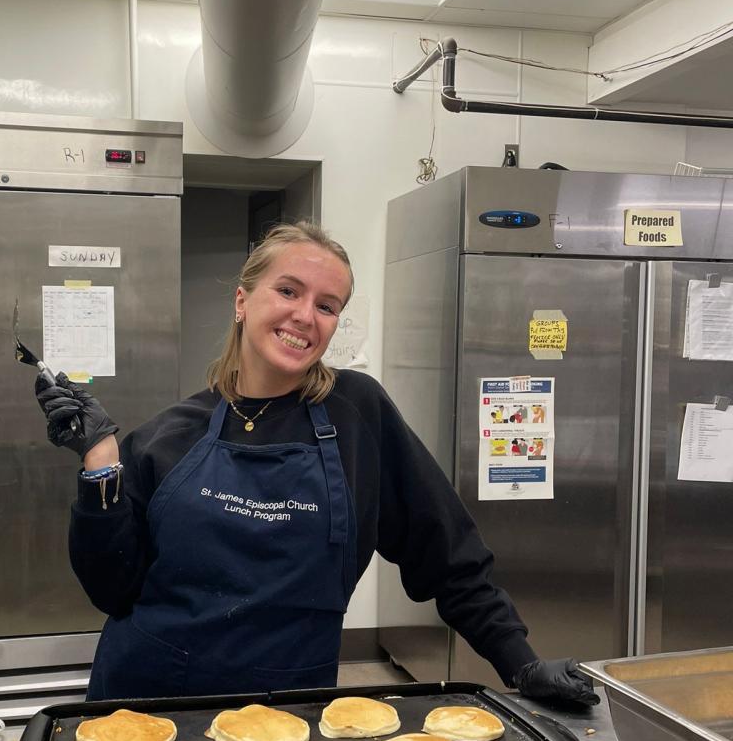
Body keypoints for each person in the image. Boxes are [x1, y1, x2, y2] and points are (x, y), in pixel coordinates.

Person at [36, 221, 597, 708]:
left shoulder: (359, 416)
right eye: (288, 290)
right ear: (242, 301)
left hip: (292, 710)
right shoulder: (168, 435)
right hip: (148, 701)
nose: (305, 316)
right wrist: (100, 460)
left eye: (327, 306)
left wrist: (520, 663)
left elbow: (449, 556)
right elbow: (112, 589)